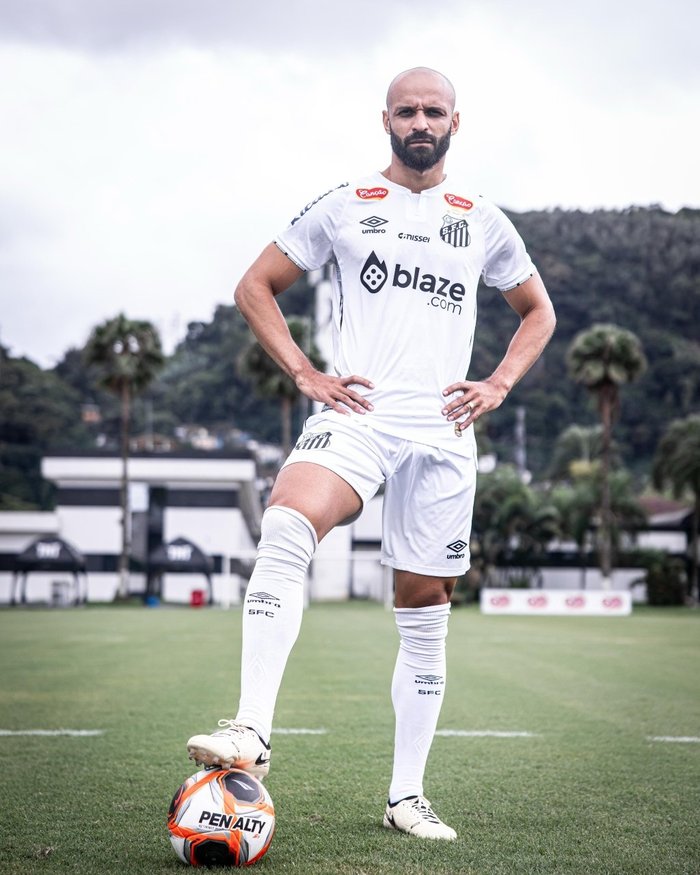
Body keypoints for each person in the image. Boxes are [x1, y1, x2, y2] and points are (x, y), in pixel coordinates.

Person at [187, 67, 556, 841]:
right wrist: (304, 372)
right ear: (385, 119)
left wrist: (498, 383)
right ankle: (251, 728)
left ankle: (405, 797)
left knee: (424, 612)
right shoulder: (346, 204)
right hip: (360, 412)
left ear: (456, 121)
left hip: (445, 429)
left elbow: (537, 312)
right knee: (287, 524)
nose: (420, 121)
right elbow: (255, 285)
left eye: (434, 111)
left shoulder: (483, 220)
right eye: (407, 110)